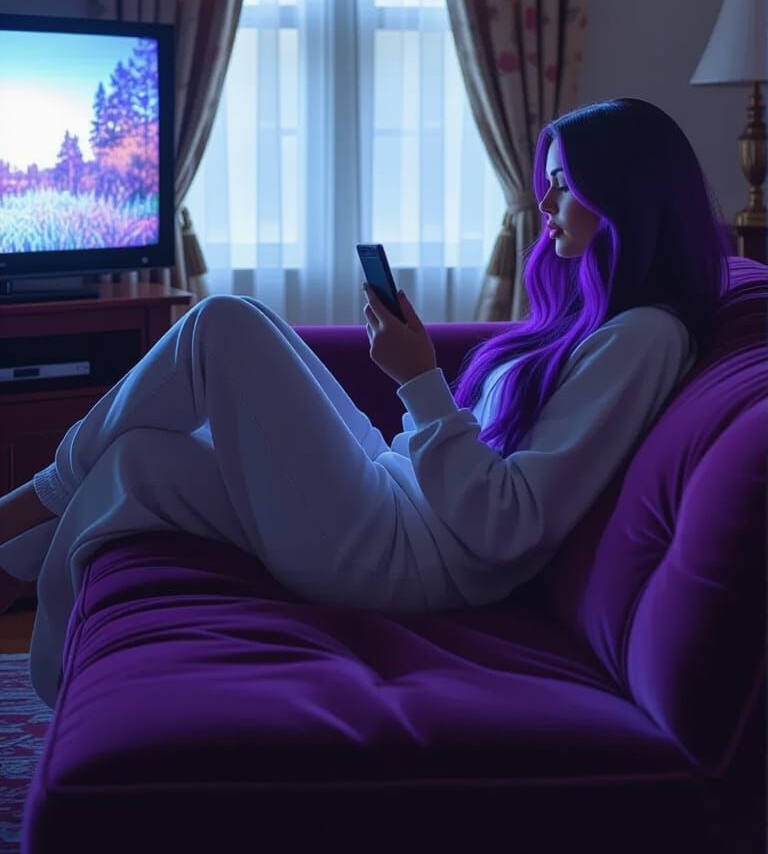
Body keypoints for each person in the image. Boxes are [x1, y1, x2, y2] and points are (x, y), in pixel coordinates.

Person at [0, 97, 729, 709]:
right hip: (401, 495)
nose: (543, 202)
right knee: (141, 459)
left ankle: (28, 506)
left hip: (407, 558)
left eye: (564, 183)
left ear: (628, 194)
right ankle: (55, 685)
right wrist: (417, 392)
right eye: (546, 182)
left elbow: (511, 524)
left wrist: (419, 379)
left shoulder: (644, 338)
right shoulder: (593, 320)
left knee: (224, 324)